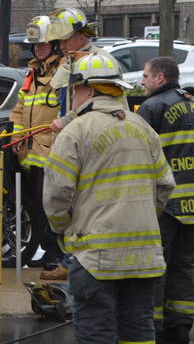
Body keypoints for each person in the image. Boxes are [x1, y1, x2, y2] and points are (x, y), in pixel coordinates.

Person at [43, 53, 175, 344]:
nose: (72, 97)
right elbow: (165, 185)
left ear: (89, 90)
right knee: (139, 332)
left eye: (74, 90)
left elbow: (56, 195)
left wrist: (65, 230)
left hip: (95, 259)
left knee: (96, 333)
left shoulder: (75, 132)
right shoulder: (143, 128)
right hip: (143, 259)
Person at [137, 56, 194, 344]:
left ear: (160, 77)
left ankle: (155, 327)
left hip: (164, 204)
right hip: (191, 205)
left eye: (146, 76)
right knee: (185, 267)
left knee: (156, 267)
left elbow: (140, 156)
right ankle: (180, 327)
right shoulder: (191, 103)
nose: (141, 81)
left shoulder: (152, 107)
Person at [8, 16, 65, 279]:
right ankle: (48, 252)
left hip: (52, 151)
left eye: (43, 44)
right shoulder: (32, 72)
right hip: (30, 152)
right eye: (35, 45)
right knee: (37, 208)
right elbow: (19, 109)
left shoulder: (63, 71)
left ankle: (56, 256)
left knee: (52, 207)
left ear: (55, 44)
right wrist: (18, 136)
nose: (38, 49)